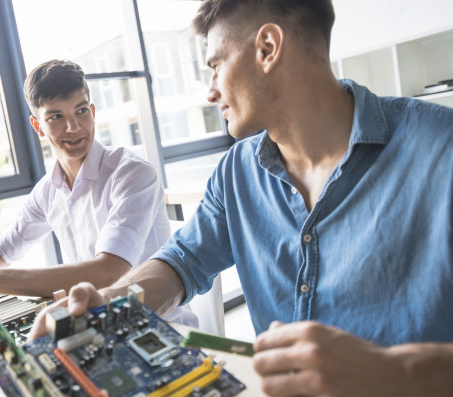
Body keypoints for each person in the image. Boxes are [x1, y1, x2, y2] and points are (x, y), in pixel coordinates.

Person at [29, 1, 453, 396]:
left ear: (267, 49)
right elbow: (180, 263)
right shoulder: (236, 172)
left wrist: (396, 371)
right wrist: (112, 303)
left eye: (215, 66)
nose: (211, 91)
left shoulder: (443, 150)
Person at [0, 59, 195, 327]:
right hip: (96, 325)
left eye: (81, 110)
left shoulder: (131, 172)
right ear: (38, 126)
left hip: (159, 327)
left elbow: (108, 272)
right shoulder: (47, 191)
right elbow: (1, 252)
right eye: (56, 117)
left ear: (93, 111)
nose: (73, 127)